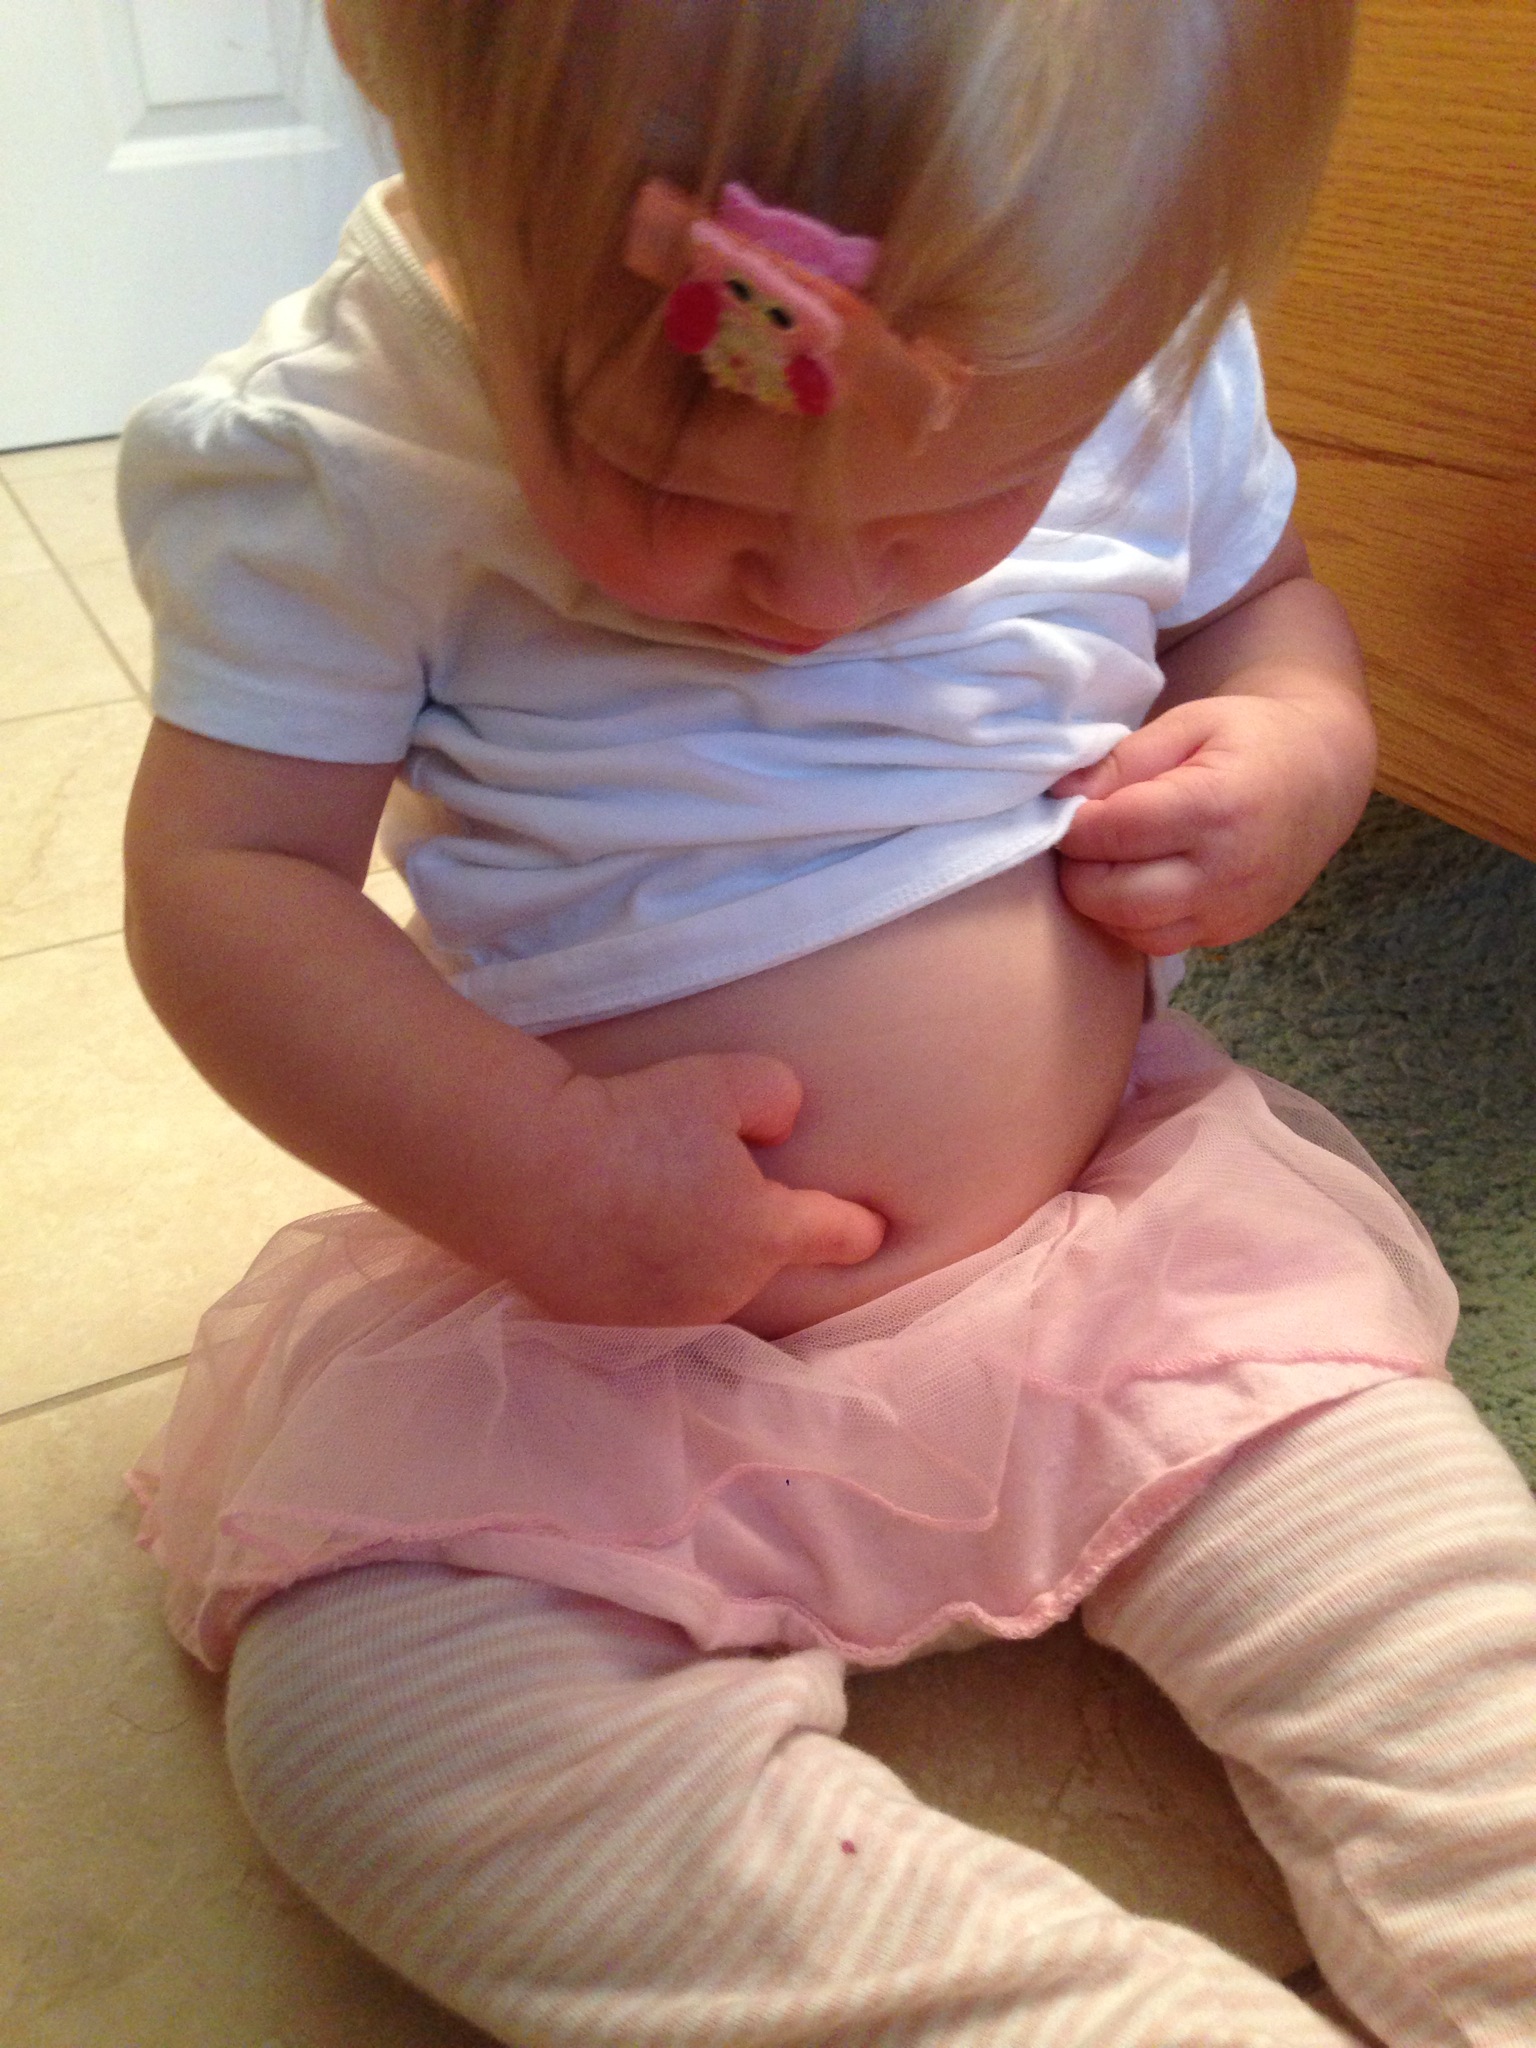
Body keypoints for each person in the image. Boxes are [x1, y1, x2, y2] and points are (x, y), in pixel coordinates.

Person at [119, 2, 1536, 2041]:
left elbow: (1263, 600)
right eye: (668, 483)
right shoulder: (341, 453)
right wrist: (539, 1171)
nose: (821, 593)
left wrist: (1304, 742)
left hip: (1124, 1250)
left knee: (1455, 1628)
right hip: (621, 1346)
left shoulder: (1124, 352)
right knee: (372, 1728)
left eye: (969, 500)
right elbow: (228, 881)